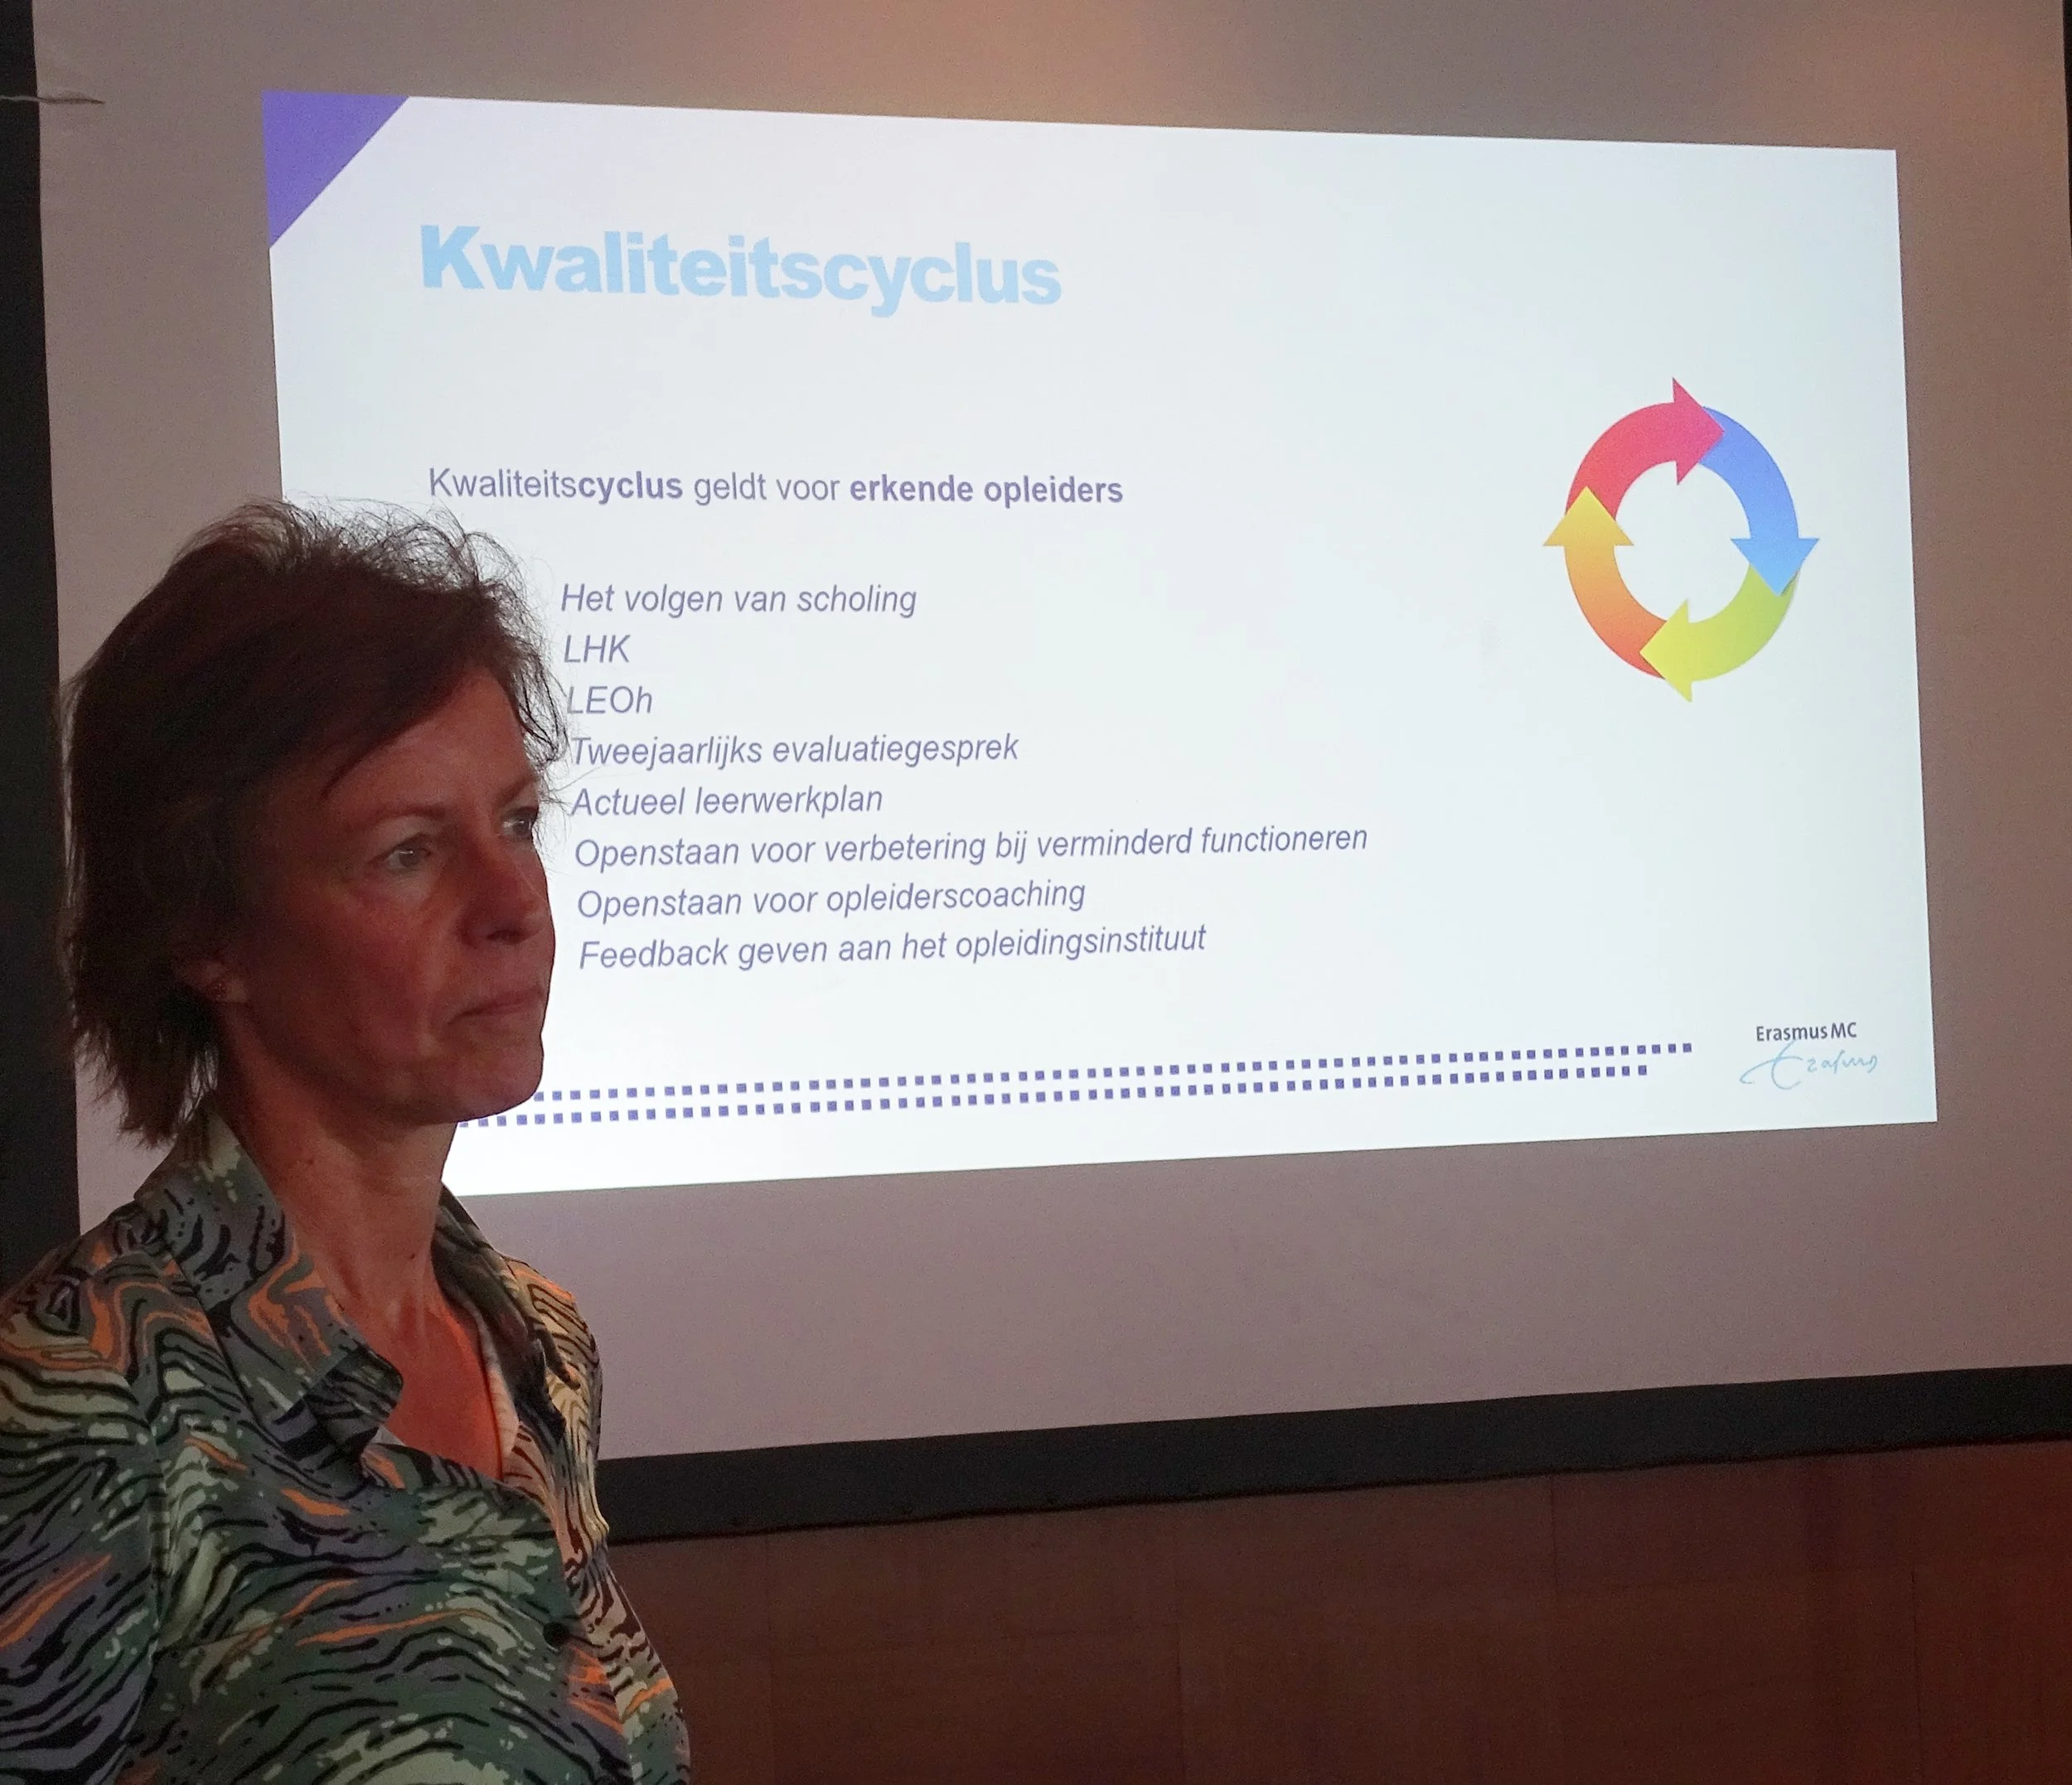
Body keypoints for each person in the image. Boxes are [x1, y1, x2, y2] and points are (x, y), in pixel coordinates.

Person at [0, 504, 690, 1783]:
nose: (516, 900)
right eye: (408, 851)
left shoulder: (538, 1344)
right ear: (208, 933)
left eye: (518, 822)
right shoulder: (91, 1392)